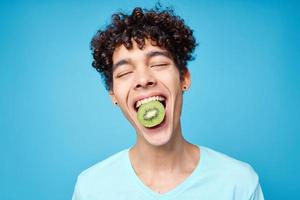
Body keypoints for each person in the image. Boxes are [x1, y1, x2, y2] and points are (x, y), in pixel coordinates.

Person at [72, 6, 264, 200]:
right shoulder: (91, 189)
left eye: (158, 64)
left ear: (184, 79)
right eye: (124, 73)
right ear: (113, 95)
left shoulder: (238, 183)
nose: (143, 79)